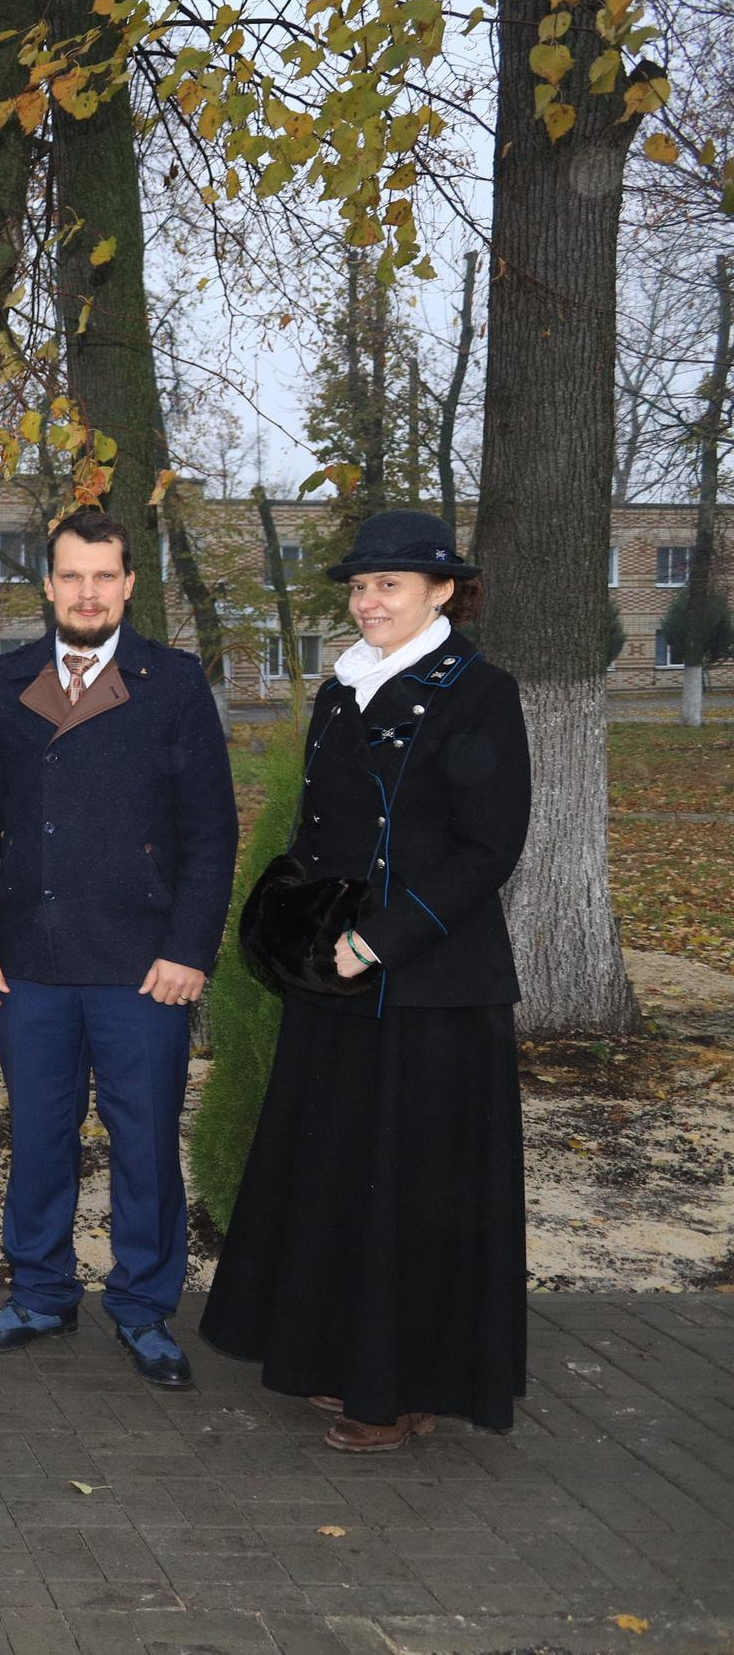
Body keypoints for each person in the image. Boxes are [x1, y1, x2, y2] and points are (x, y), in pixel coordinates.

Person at [202, 509, 531, 1452]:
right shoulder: (344, 690)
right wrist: (294, 921)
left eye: (389, 584)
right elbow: (323, 834)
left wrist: (383, 939)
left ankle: (398, 1389)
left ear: (442, 593)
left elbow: (486, 847)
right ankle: (336, 1357)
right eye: (358, 585)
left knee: (413, 1191)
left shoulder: (480, 692)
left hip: (430, 987)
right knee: (342, 1178)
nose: (369, 600)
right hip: (338, 979)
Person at [0, 510, 238, 1389]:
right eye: (70, 576)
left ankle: (144, 1308)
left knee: (144, 1142)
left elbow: (212, 832)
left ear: (128, 585)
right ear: (47, 585)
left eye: (103, 576)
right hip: (30, 960)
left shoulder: (175, 683)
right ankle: (39, 1292)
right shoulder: (7, 683)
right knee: (39, 1136)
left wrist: (189, 948)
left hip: (142, 965)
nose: (86, 592)